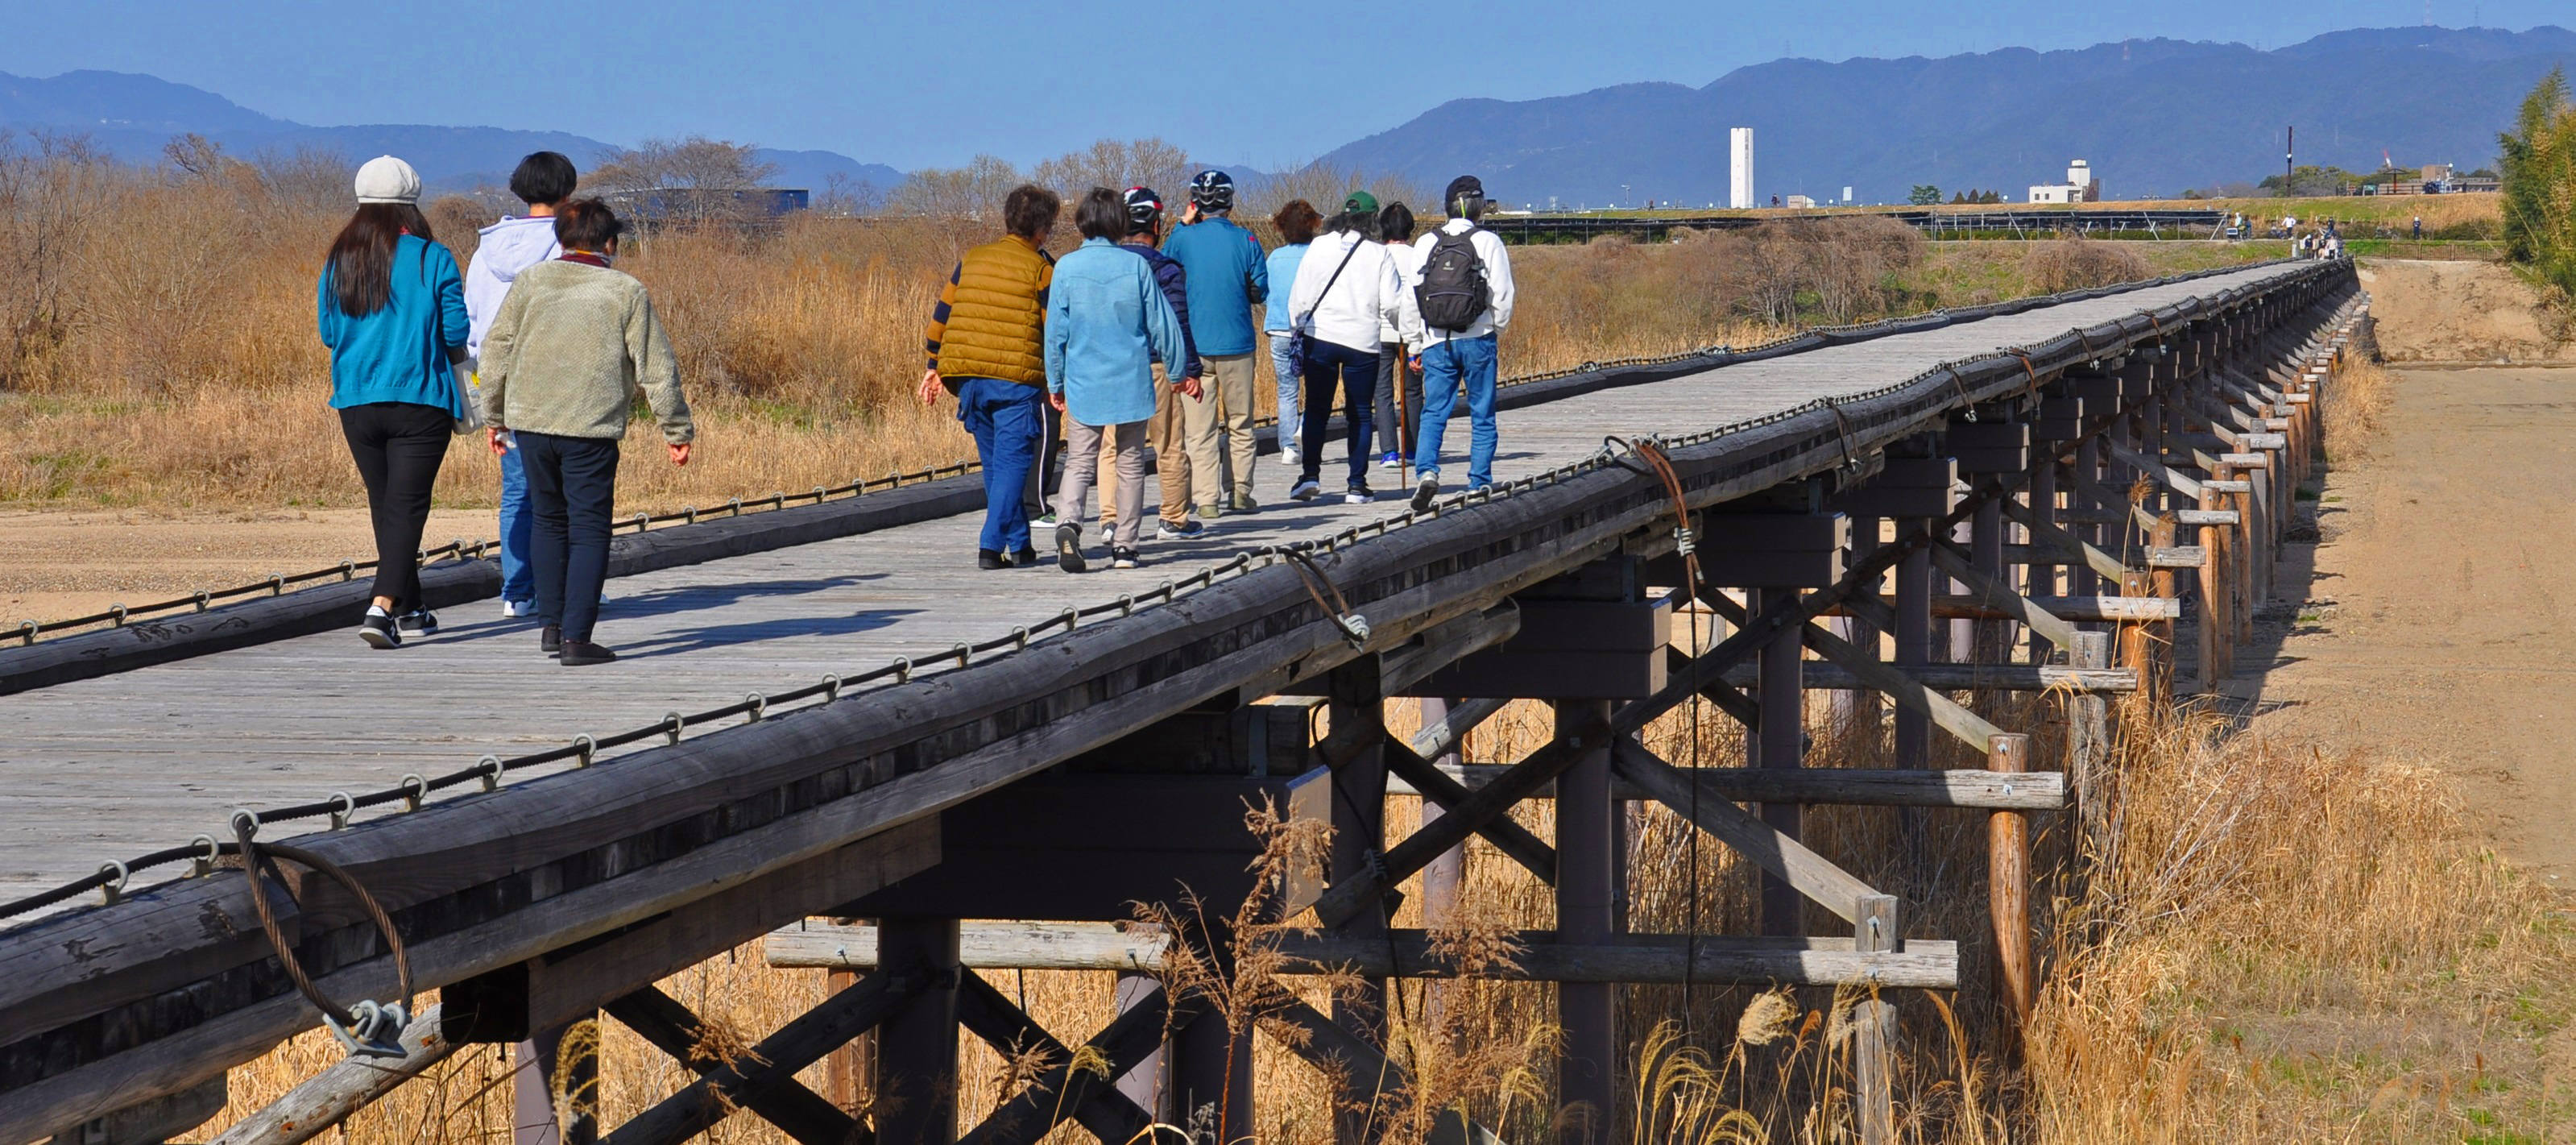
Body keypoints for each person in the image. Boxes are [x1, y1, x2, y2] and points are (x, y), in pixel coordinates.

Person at [478, 199, 694, 666]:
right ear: (611, 243)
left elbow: (496, 351)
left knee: (548, 521)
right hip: (590, 428)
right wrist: (675, 428)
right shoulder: (625, 291)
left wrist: (493, 416)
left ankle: (552, 629)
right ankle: (578, 638)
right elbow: (655, 367)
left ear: (560, 239)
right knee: (589, 528)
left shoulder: (531, 281)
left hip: (530, 423)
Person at [315, 155, 469, 650]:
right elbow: (456, 333)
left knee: (387, 507)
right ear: (412, 205)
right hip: (420, 398)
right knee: (405, 507)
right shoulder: (433, 257)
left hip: (357, 399)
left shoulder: (339, 259)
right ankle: (381, 608)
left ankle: (413, 608)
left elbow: (328, 332)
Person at [1049, 188, 1195, 572]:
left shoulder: (1065, 268)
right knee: (1131, 463)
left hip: (1083, 381)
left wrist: (1055, 382)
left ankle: (1068, 523)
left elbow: (1055, 334)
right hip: (1130, 380)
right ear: (1120, 223)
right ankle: (1127, 547)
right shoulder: (1136, 268)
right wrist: (1177, 371)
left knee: (1081, 461)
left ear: (1082, 222)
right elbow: (1163, 325)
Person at [918, 184, 1061, 569]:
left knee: (997, 464)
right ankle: (989, 545)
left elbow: (940, 318)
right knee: (1015, 464)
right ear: (1042, 230)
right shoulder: (1042, 269)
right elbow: (1054, 332)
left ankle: (1020, 544)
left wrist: (933, 365)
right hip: (1015, 380)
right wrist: (1058, 380)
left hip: (967, 379)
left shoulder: (973, 258)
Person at [462, 151, 577, 617]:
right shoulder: (568, 244)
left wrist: (480, 382)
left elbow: (472, 321)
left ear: (520, 190)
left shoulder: (486, 249)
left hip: (499, 380)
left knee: (518, 491)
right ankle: (570, 583)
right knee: (569, 489)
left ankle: (517, 591)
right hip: (557, 380)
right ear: (568, 192)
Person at [1286, 191, 1419, 504]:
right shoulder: (1379, 254)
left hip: (1321, 338)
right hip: (1363, 343)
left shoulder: (1319, 245)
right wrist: (1410, 336)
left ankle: (1310, 476)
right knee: (1359, 413)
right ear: (1374, 220)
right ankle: (1357, 485)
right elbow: (1391, 305)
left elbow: (1299, 299)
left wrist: (1297, 331)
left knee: (1317, 410)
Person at [1101, 187, 1209, 540]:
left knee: (1112, 445)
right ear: (1156, 225)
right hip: (1157, 366)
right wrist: (1190, 370)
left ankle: (1109, 519)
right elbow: (1178, 321)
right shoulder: (1164, 269)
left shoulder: (1104, 266)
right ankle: (1174, 517)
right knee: (1168, 443)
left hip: (1111, 367)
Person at [1162, 170, 1270, 514]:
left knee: (1199, 429)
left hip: (1193, 345)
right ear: (1229, 201)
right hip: (1237, 342)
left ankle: (1206, 499)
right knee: (1240, 422)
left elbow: (1161, 267)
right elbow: (1260, 290)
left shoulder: (1181, 239)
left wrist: (1181, 224)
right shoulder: (1247, 240)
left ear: (1196, 202)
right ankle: (1240, 491)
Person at [1409, 175, 1518, 512]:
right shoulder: (1488, 241)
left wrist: (1414, 343)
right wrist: (1494, 327)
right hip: (1478, 338)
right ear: (1479, 207)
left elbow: (1411, 296)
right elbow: (1502, 294)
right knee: (1482, 413)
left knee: (1434, 411)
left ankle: (1427, 472)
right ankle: (1478, 483)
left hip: (1436, 340)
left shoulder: (1426, 243)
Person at [1372, 202, 1427, 471]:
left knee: (1381, 391)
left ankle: (1389, 452)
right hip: (1412, 333)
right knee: (1412, 391)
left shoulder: (1376, 255)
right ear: (1410, 228)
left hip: (1380, 331)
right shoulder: (1418, 256)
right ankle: (1413, 449)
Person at [1263, 201, 1322, 432]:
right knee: (1315, 385)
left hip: (1278, 328)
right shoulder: (1317, 255)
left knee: (1286, 389)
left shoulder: (1275, 257)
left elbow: (1265, 291)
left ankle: (1287, 445)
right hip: (1312, 329)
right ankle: (1305, 428)